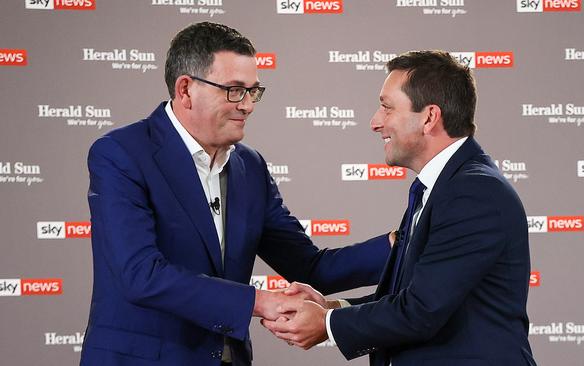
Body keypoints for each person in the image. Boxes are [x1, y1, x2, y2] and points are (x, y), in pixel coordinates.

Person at [79, 22, 390, 366]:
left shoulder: (250, 166)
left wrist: (402, 241)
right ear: (185, 90)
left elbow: (309, 267)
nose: (248, 105)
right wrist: (259, 301)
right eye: (234, 90)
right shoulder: (121, 153)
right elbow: (141, 275)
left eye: (253, 91)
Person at [263, 50, 538, 366]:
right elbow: (409, 296)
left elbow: (421, 310)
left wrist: (326, 325)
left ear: (429, 117)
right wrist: (331, 308)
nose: (375, 122)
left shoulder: (473, 192)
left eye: (386, 108)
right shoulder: (442, 186)